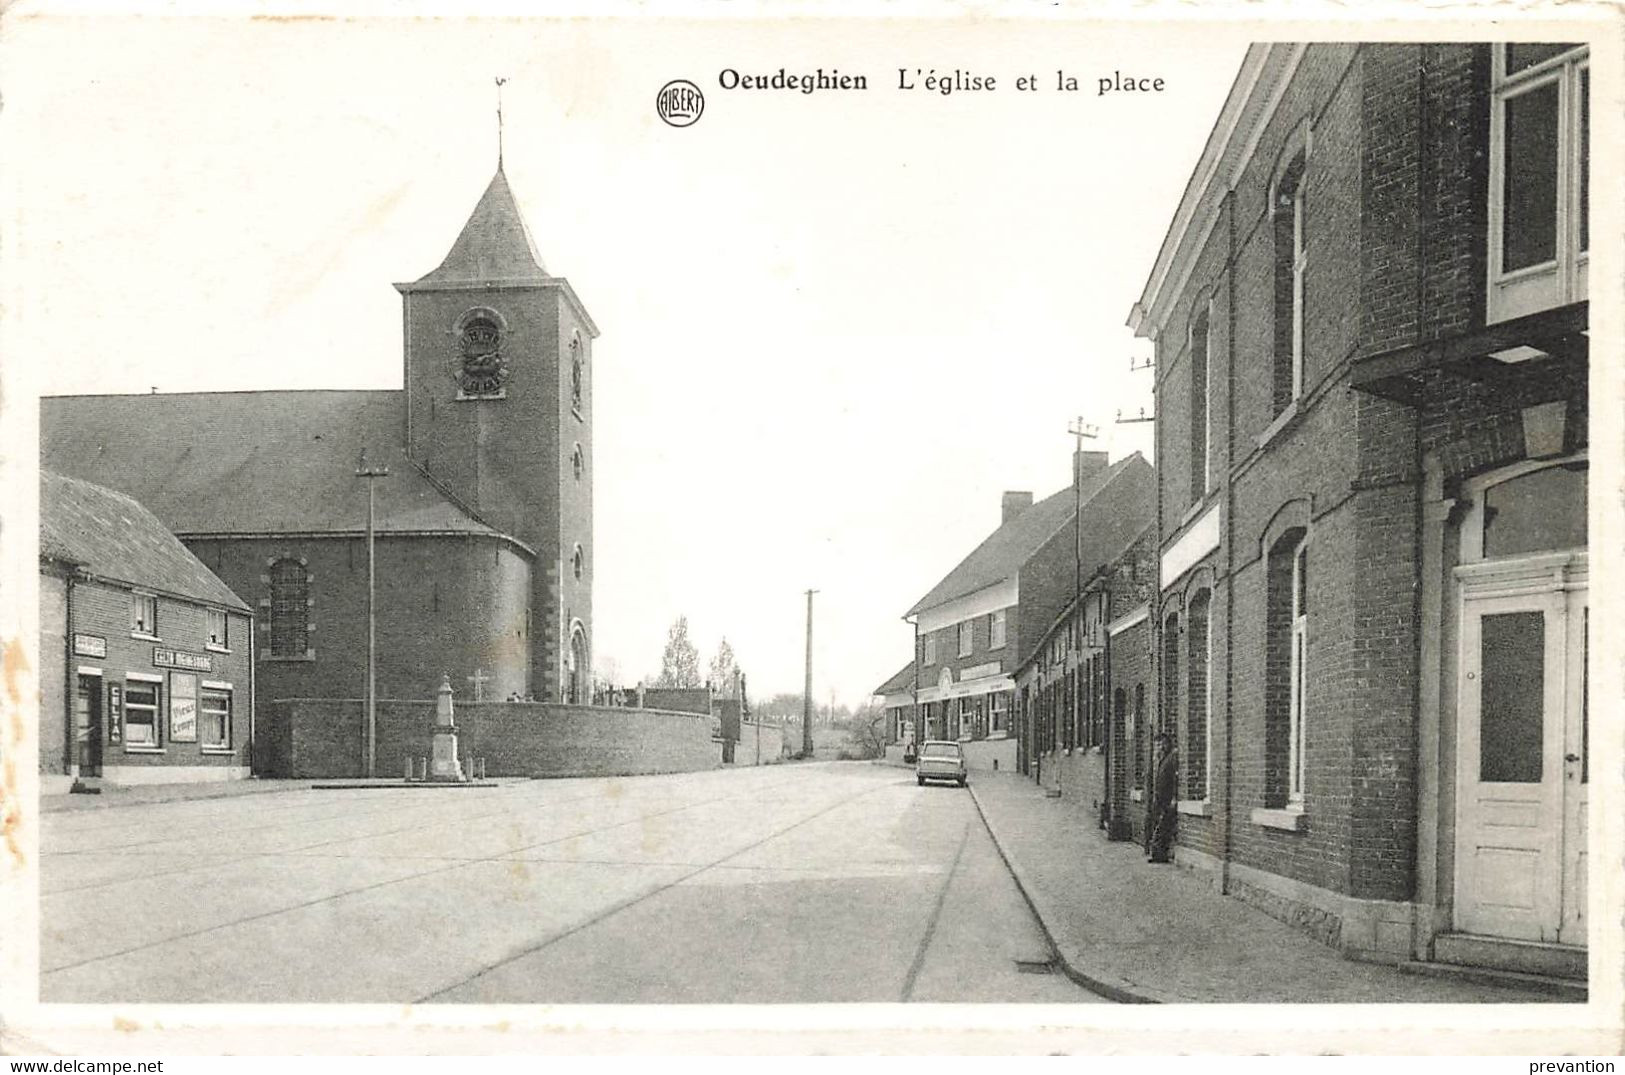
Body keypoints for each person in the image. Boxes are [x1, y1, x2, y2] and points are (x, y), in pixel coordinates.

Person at [1147, 731, 1179, 863]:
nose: (1159, 747)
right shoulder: (1161, 759)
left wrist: (1174, 798)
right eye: (1157, 744)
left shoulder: (1171, 758)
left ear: (1166, 744)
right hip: (1160, 798)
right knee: (1157, 824)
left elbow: (1175, 779)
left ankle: (1160, 854)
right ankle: (1157, 853)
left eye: (1161, 744)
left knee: (1163, 826)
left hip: (1167, 798)